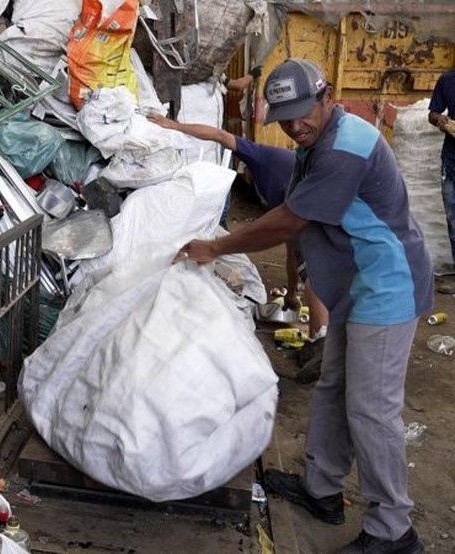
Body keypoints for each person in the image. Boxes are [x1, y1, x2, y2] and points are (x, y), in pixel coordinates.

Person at [175, 59, 432, 553]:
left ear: (328, 96)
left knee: (372, 411)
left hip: (388, 284)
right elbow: (298, 218)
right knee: (335, 387)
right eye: (286, 118)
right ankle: (323, 491)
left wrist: (215, 247)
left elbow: (288, 222)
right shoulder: (318, 142)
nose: (295, 126)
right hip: (358, 283)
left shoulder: (343, 148)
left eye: (303, 113)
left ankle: (394, 530)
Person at [147, 113, 331, 383]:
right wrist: (292, 294)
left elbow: (221, 135)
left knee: (314, 267)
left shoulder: (275, 165)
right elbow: (292, 250)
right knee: (307, 263)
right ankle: (320, 340)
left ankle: (321, 341)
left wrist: (176, 125)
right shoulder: (266, 160)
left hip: (316, 212)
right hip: (302, 215)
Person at [428, 68, 455, 293]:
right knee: (453, 219)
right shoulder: (448, 80)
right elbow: (432, 114)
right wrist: (441, 120)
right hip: (451, 161)